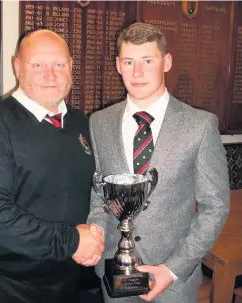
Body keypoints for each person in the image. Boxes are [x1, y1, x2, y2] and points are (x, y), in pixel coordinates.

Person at [87, 22, 230, 303]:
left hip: (173, 283)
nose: (137, 72)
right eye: (129, 61)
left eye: (148, 60)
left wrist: (172, 269)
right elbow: (99, 193)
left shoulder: (199, 125)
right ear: (118, 65)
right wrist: (96, 233)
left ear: (166, 61)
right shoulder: (100, 122)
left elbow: (215, 207)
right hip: (114, 274)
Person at [0, 29, 104, 303]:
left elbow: (92, 192)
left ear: (71, 67)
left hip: (69, 277)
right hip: (10, 285)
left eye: (59, 65)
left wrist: (95, 236)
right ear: (17, 67)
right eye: (37, 65)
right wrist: (73, 242)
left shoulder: (80, 124)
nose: (50, 76)